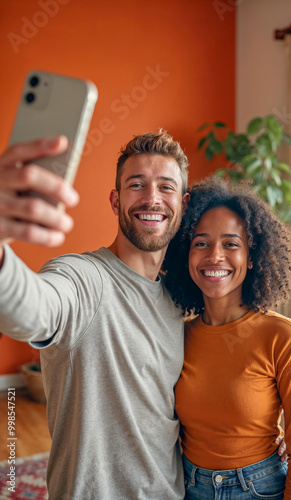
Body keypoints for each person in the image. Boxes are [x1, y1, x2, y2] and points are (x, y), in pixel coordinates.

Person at [0, 130, 190, 500]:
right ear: (115, 201)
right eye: (137, 185)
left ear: (182, 203)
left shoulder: (179, 298)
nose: (152, 198)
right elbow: (35, 309)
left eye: (165, 187)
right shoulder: (84, 278)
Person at [163, 176, 291, 500]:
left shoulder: (283, 337)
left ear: (251, 257)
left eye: (231, 244)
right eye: (201, 243)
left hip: (260, 489)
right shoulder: (176, 335)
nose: (215, 256)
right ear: (186, 255)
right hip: (188, 487)